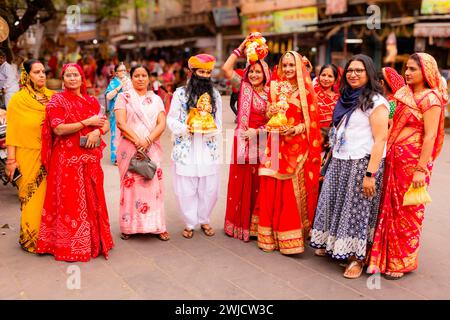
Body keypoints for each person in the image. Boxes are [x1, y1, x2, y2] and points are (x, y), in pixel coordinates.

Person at [367, 53, 448, 280]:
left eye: (413, 69)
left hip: (413, 165)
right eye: (407, 68)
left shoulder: (431, 99)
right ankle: (379, 257)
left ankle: (400, 261)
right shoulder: (402, 93)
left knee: (407, 212)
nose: (407, 73)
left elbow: (430, 136)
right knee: (386, 206)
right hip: (392, 158)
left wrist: (421, 170)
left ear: (427, 72)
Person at [310, 54, 390, 279]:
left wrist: (370, 174)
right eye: (350, 70)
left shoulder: (376, 102)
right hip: (339, 159)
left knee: (356, 212)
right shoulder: (346, 97)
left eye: (359, 70)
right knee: (334, 204)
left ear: (369, 74)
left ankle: (356, 258)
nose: (353, 74)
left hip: (361, 164)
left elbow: (380, 139)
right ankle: (333, 244)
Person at [36, 63, 114, 262]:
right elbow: (59, 129)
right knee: (71, 202)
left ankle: (95, 242)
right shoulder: (57, 100)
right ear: (63, 80)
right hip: (67, 161)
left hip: (90, 159)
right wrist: (87, 123)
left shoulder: (91, 101)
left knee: (93, 199)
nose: (72, 78)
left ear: (82, 78)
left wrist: (97, 131)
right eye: (68, 75)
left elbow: (104, 122)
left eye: (76, 75)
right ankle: (70, 245)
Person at [255, 51, 321, 254]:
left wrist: (295, 129)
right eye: (285, 66)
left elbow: (311, 123)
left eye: (292, 65)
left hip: (297, 145)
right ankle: (269, 236)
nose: (288, 69)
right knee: (271, 184)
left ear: (299, 66)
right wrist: (272, 110)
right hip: (275, 142)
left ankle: (290, 238)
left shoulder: (307, 91)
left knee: (289, 188)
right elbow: (267, 112)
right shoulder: (274, 87)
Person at [167, 53, 222, 239]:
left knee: (210, 188)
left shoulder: (215, 95)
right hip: (186, 148)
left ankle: (204, 219)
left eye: (208, 72)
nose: (205, 75)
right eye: (201, 71)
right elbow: (171, 119)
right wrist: (186, 128)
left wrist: (209, 130)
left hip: (208, 148)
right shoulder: (180, 94)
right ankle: (190, 222)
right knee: (185, 189)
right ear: (192, 72)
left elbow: (219, 123)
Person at [222, 37, 271, 242]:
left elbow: (277, 120)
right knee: (242, 181)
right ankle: (238, 224)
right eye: (251, 71)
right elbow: (226, 69)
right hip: (242, 139)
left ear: (266, 74)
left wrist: (258, 131)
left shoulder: (272, 93)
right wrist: (241, 48)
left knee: (261, 182)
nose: (254, 74)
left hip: (265, 140)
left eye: (258, 71)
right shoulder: (243, 87)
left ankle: (256, 225)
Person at [114, 65, 168, 241]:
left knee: (153, 187)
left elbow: (161, 123)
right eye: (136, 75)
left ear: (148, 78)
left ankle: (157, 226)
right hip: (130, 149)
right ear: (131, 77)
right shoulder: (123, 97)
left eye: (144, 75)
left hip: (150, 148)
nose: (140, 78)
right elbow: (121, 123)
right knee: (130, 186)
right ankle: (129, 226)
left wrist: (147, 141)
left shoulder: (156, 99)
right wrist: (138, 141)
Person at [5, 59, 54, 253]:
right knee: (31, 198)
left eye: (43, 71)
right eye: (36, 72)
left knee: (50, 199)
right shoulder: (18, 100)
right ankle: (31, 239)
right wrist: (11, 160)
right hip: (27, 155)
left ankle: (49, 238)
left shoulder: (52, 97)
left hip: (51, 156)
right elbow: (12, 132)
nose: (42, 75)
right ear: (27, 76)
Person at [105, 63, 131, 164]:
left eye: (125, 70)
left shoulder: (129, 81)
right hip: (115, 112)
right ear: (116, 73)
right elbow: (108, 96)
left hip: (128, 111)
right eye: (121, 70)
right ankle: (116, 157)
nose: (123, 72)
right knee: (116, 134)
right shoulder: (113, 83)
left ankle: (127, 156)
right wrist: (120, 86)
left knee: (127, 134)